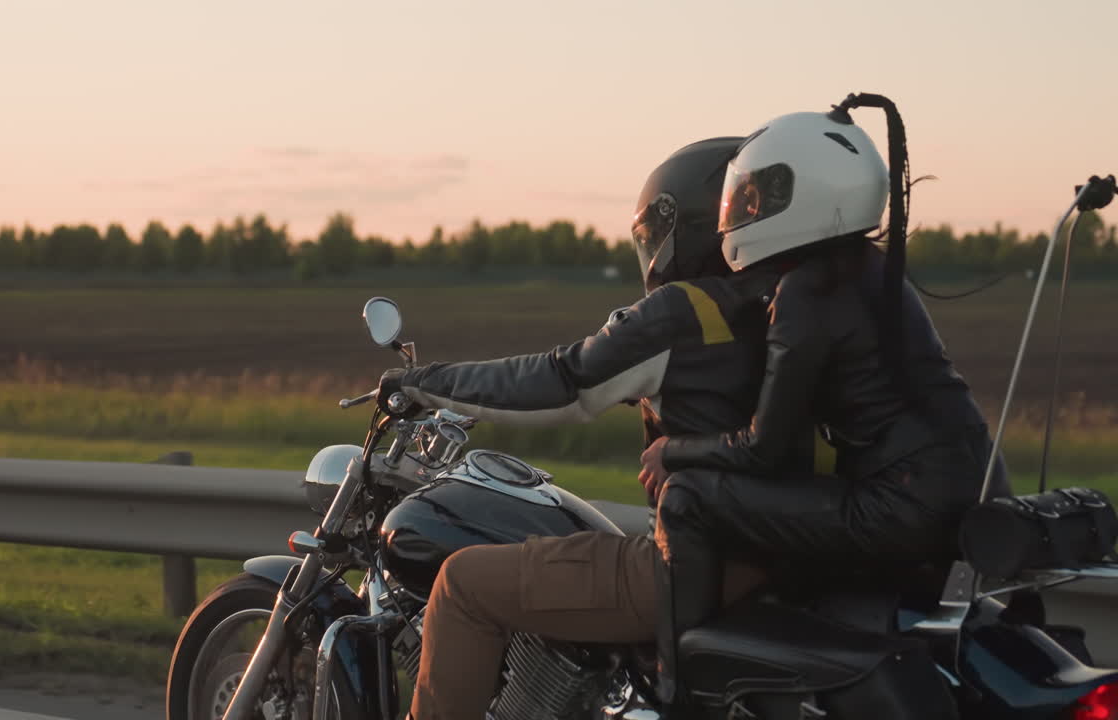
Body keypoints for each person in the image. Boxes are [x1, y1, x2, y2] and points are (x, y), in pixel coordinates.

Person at [376, 136, 789, 720]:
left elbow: (560, 383)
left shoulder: (684, 313)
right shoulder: (789, 306)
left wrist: (422, 382)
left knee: (463, 585)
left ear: (688, 225)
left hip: (698, 565)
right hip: (789, 551)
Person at [646, 95, 1009, 705]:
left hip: (902, 507)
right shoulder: (871, 270)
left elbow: (763, 447)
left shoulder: (805, 291)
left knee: (685, 500)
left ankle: (680, 693)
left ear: (804, 195)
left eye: (757, 197)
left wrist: (671, 451)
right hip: (974, 487)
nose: (740, 211)